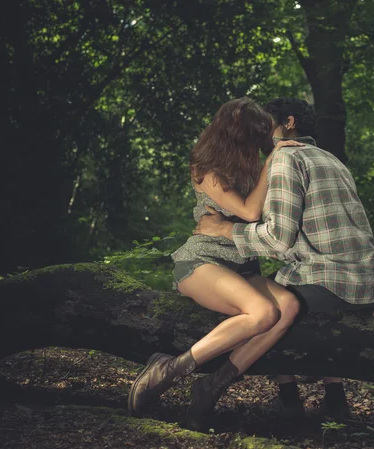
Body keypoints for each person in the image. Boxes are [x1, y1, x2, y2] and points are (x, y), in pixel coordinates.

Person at [194, 97, 374, 420]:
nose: (258, 131)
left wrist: (226, 229)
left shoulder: (285, 160)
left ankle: (274, 397)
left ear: (288, 123)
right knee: (283, 287)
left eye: (266, 123)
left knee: (271, 309)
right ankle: (336, 401)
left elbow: (278, 238)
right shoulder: (331, 160)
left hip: (332, 280)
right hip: (368, 281)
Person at [127, 97, 305, 430]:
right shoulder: (206, 167)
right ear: (233, 134)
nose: (259, 144)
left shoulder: (253, 166)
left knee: (289, 306)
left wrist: (277, 159)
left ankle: (210, 386)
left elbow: (268, 218)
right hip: (202, 261)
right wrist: (274, 160)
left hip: (243, 266)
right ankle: (170, 370)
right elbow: (252, 213)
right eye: (253, 136)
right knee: (264, 313)